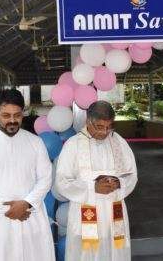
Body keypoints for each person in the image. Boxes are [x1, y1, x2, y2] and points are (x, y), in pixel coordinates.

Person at [0, 89, 55, 261]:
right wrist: (9, 209)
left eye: (17, 115)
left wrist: (26, 203)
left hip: (30, 217)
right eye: (6, 115)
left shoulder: (35, 142)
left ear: (23, 114)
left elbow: (45, 179)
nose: (12, 120)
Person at [55, 100, 137, 261]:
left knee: (115, 252)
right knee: (86, 254)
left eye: (109, 127)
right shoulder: (73, 145)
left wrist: (119, 183)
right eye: (100, 127)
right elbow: (62, 182)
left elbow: (131, 174)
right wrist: (93, 187)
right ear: (88, 121)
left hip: (114, 211)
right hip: (86, 210)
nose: (105, 132)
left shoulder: (118, 141)